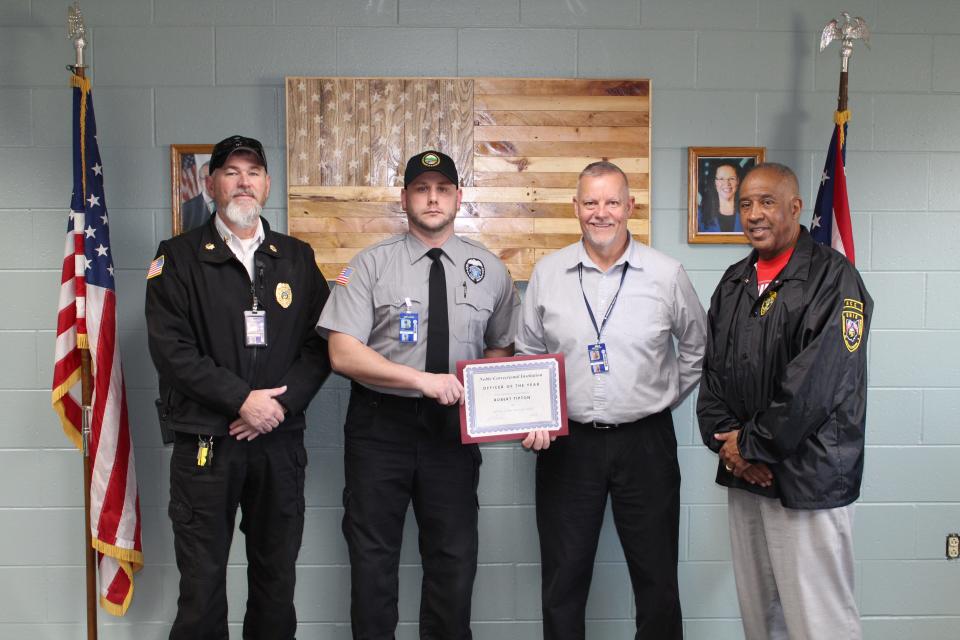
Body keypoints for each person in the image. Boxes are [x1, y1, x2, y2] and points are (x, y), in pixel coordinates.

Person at [317, 150, 520, 640]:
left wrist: (483, 391)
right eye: (421, 189)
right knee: (372, 563)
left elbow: (501, 347)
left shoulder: (489, 269)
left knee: (453, 563)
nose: (433, 198)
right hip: (379, 427)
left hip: (451, 432)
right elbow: (342, 354)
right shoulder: (368, 265)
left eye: (443, 189)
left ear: (458, 197)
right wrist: (421, 381)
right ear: (404, 198)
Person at [145, 135, 331, 639]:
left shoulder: (296, 257)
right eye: (231, 171)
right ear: (211, 184)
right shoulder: (178, 258)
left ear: (267, 184)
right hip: (207, 442)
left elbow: (320, 346)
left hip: (278, 441)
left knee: (276, 580)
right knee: (202, 583)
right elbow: (171, 349)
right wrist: (240, 401)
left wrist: (279, 405)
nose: (243, 181)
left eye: (253, 172)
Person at [517, 161, 707, 640]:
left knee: (657, 577)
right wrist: (536, 412)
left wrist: (661, 395)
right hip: (568, 445)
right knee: (563, 579)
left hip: (646, 443)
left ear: (630, 207)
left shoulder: (666, 275)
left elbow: (697, 347)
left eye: (611, 202)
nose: (601, 213)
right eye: (590, 202)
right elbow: (527, 352)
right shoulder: (548, 273)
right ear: (575, 208)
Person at [697, 162, 872, 640]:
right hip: (747, 478)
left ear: (796, 208)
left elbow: (815, 385)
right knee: (762, 619)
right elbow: (712, 378)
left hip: (807, 480)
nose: (754, 214)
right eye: (747, 204)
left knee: (820, 623)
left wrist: (750, 447)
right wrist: (732, 452)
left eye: (767, 202)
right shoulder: (733, 282)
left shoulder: (834, 279)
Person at [699, 161, 744, 233]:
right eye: (721, 179)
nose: (727, 183)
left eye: (732, 178)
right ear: (714, 182)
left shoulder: (748, 213)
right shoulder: (700, 214)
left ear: (738, 181)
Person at [180, 160, 215, 232]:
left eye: (212, 179)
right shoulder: (186, 208)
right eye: (204, 179)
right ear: (199, 181)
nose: (208, 183)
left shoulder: (229, 204)